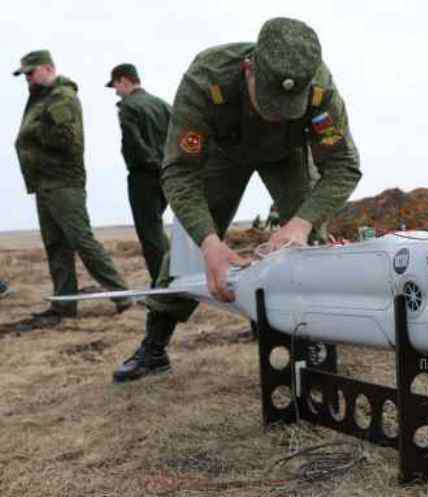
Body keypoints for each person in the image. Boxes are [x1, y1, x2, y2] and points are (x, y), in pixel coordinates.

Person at [112, 17, 362, 382]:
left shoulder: (320, 88)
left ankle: (314, 343)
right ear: (249, 70)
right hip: (224, 154)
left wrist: (301, 223)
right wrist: (209, 243)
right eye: (270, 102)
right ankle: (154, 346)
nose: (276, 115)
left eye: (286, 107)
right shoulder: (206, 78)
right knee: (189, 244)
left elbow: (343, 166)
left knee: (310, 241)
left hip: (287, 157)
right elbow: (179, 172)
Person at [13, 50, 131, 327]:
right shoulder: (42, 98)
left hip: (63, 182)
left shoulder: (61, 97)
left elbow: (66, 139)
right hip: (45, 182)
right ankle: (64, 305)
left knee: (81, 240)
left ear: (47, 69)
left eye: (30, 72)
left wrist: (32, 135)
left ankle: (124, 297)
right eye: (25, 75)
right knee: (56, 246)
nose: (27, 79)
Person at [106, 63, 172, 287]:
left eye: (115, 85)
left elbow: (134, 143)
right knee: (156, 228)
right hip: (167, 175)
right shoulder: (163, 105)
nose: (115, 91)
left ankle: (162, 284)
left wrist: (151, 163)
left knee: (149, 232)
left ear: (124, 81)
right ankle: (170, 275)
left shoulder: (128, 107)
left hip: (144, 176)